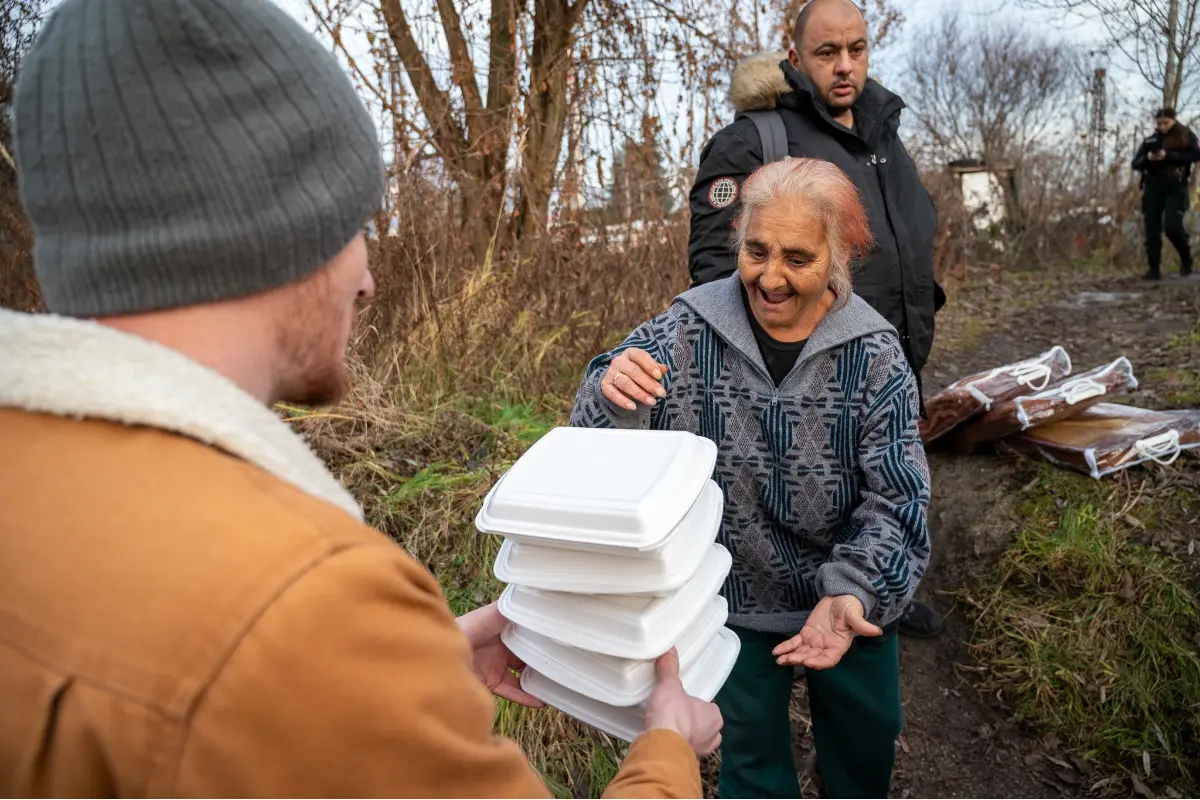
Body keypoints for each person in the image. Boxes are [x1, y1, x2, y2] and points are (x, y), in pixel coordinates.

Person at [0, 0, 721, 796]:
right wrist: (666, 747)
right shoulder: (308, 599)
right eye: (355, 224)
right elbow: (270, 649)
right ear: (279, 232)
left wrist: (407, 668)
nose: (368, 279)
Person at [571, 156, 931, 799]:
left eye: (798, 258)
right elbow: (600, 438)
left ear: (839, 257)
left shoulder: (876, 357)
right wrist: (610, 387)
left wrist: (854, 591)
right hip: (730, 597)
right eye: (757, 250)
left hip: (848, 601)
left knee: (865, 750)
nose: (771, 277)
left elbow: (898, 499)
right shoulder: (686, 331)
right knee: (751, 767)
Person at [686, 0, 942, 639]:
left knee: (883, 487)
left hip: (887, 361)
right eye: (828, 52)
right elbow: (718, 268)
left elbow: (904, 237)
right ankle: (784, 618)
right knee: (801, 504)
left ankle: (873, 591)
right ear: (795, 56)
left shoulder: (883, 135)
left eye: (857, 48)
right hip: (797, 375)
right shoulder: (758, 140)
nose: (846, 65)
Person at [1132, 107, 1200, 281]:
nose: (1162, 126)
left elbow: (1196, 154)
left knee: (1172, 226)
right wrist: (1149, 158)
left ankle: (1186, 260)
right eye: (1159, 123)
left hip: (1176, 186)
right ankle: (1153, 269)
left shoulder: (1185, 135)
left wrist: (1169, 156)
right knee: (1152, 229)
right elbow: (1136, 163)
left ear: (1173, 120)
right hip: (1153, 186)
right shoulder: (1151, 140)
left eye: (1166, 123)